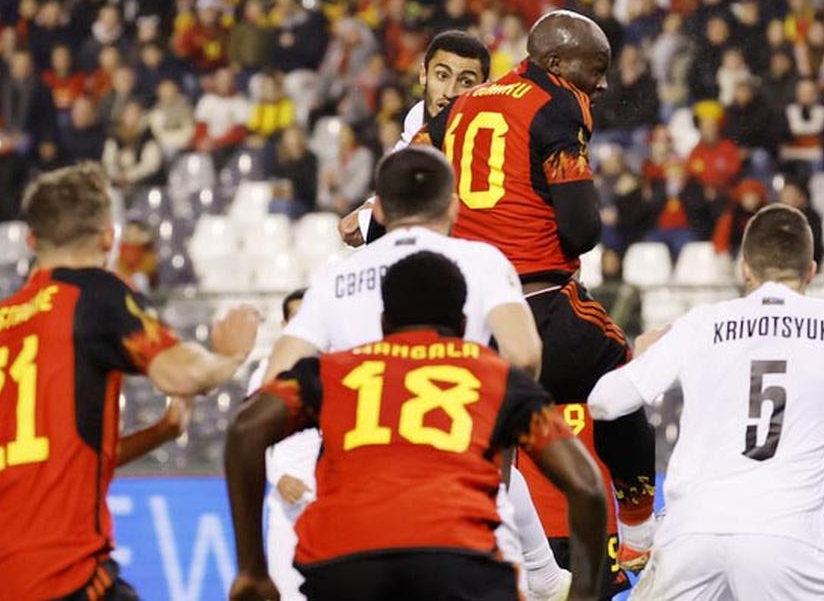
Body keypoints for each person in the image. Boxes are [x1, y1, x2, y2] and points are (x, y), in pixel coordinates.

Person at [588, 204, 824, 600]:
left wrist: (641, 361)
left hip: (691, 534)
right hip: (785, 536)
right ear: (812, 270)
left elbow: (604, 403)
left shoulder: (701, 323)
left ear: (744, 268)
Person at [263, 148, 573, 601]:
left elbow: (278, 378)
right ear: (453, 206)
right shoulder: (482, 261)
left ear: (381, 210)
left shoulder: (335, 279)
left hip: (358, 506)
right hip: (459, 498)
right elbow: (524, 356)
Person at [415, 10, 657, 581]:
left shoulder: (458, 110)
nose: (601, 82)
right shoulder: (557, 104)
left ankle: (536, 572)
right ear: (555, 64)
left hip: (466, 319)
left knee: (497, 438)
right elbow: (580, 230)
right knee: (621, 381)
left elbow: (409, 183)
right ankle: (643, 533)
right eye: (593, 69)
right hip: (540, 302)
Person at [228, 252, 607, 601]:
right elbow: (585, 484)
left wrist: (251, 568)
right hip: (458, 561)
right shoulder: (498, 377)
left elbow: (246, 431)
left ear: (382, 322)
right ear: (461, 323)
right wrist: (585, 595)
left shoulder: (330, 371)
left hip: (345, 565)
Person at [0, 162, 261, 600]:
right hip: (61, 570)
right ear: (109, 237)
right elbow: (183, 372)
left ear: (31, 240)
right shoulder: (93, 293)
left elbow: (63, 457)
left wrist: (161, 432)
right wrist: (231, 354)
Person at [339, 30, 490, 246]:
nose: (450, 91)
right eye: (442, 75)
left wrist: (368, 221)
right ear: (423, 75)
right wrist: (370, 207)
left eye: (465, 82)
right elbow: (402, 171)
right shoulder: (418, 115)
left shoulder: (485, 132)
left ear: (484, 87)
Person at [244, 289, 314, 601]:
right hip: (286, 509)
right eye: (294, 318)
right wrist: (279, 477)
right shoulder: (264, 374)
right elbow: (250, 438)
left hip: (331, 503)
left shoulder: (342, 368)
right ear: (285, 325)